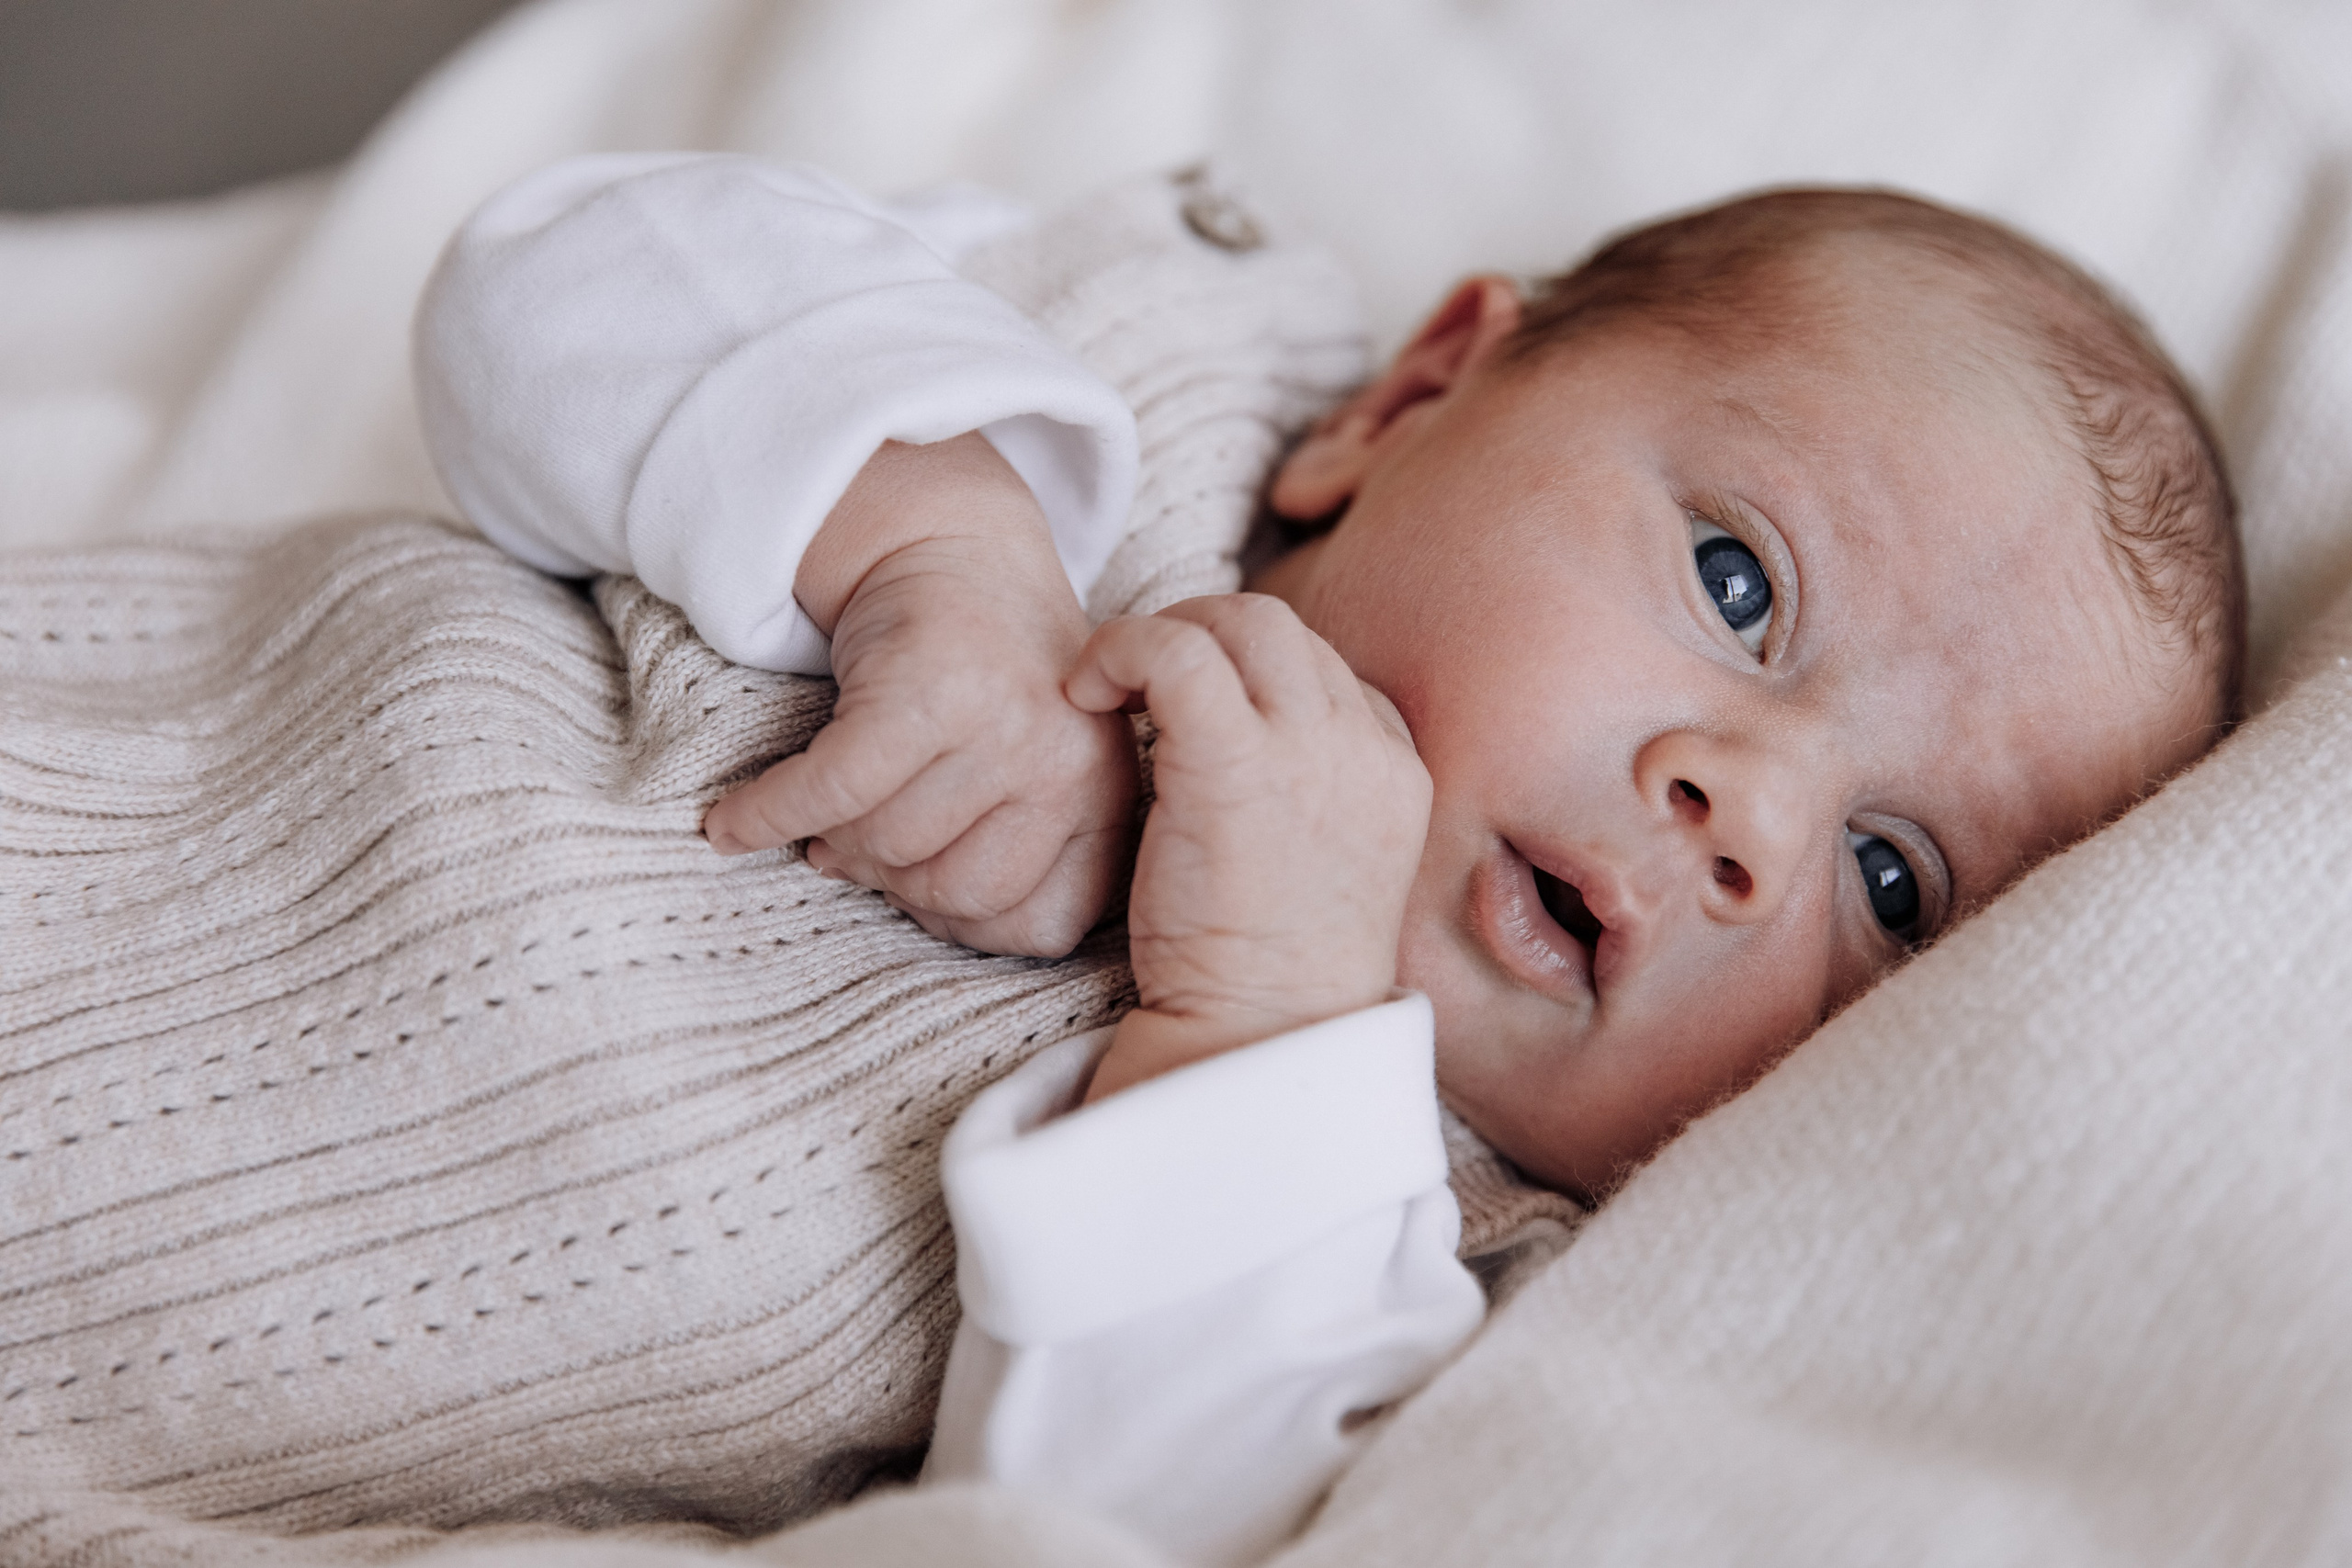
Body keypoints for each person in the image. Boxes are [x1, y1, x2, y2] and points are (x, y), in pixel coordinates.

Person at [414, 154, 2241, 1563]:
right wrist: (936, 549)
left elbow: (1093, 1522)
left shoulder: (1434, 1283)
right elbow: (544, 271)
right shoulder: (1120, 398)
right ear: (1412, 396)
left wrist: (1257, 1023)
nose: (1749, 817)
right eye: (1736, 582)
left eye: (1892, 883)